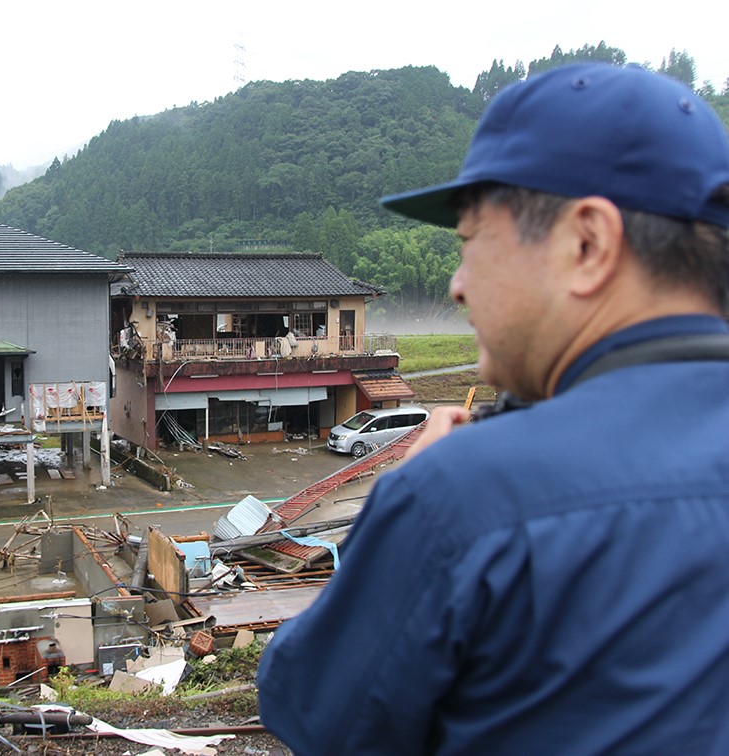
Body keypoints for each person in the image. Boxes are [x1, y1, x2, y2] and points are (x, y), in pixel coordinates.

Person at [257, 62, 729, 754]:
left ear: (586, 244)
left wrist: (401, 507)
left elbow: (311, 712)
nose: (456, 286)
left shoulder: (467, 494)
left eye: (470, 242)